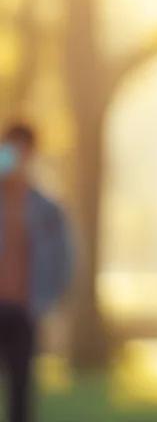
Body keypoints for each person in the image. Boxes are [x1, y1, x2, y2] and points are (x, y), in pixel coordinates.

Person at [0, 121, 72, 422]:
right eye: (9, 150)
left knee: (21, 388)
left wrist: (47, 299)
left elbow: (63, 259)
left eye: (22, 151)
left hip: (25, 308)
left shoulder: (46, 208)